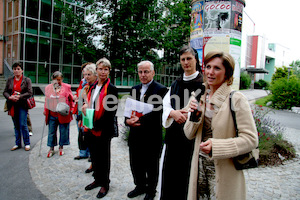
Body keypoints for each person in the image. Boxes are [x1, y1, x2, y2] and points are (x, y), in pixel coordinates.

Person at [184, 51, 258, 200]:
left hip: (224, 170)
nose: (210, 72)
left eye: (217, 68)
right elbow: (188, 134)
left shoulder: (236, 99)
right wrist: (195, 115)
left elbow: (251, 139)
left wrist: (216, 146)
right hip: (199, 167)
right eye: (208, 66)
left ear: (227, 73)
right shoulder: (198, 95)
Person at [160, 45, 204, 200]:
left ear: (196, 60)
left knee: (187, 178)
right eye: (183, 59)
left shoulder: (204, 84)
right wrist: (173, 113)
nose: (186, 62)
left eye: (189, 59)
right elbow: (165, 105)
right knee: (170, 176)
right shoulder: (176, 84)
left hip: (191, 139)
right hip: (173, 138)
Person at [125, 61, 167, 200]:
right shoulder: (134, 89)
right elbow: (128, 110)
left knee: (151, 165)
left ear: (153, 72)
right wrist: (127, 120)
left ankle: (151, 190)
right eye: (140, 72)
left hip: (151, 135)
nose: (143, 75)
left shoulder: (161, 90)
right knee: (135, 163)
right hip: (135, 135)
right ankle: (140, 186)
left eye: (146, 71)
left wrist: (138, 120)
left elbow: (158, 112)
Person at [82, 58, 118, 199]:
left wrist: (95, 124)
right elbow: (88, 103)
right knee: (94, 157)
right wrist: (85, 106)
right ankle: (97, 179)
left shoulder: (112, 89)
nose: (103, 72)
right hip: (90, 126)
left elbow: (111, 113)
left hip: (103, 129)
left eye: (106, 69)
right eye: (100, 69)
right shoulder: (92, 86)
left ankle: (105, 184)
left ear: (109, 71)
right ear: (96, 70)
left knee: (103, 158)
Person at [44, 71, 74, 158]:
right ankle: (51, 148)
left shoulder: (67, 87)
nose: (58, 82)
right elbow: (46, 100)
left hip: (63, 113)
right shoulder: (48, 88)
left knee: (63, 131)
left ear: (62, 79)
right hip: (52, 113)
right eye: (56, 80)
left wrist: (72, 109)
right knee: (51, 132)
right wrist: (45, 110)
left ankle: (61, 147)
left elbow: (71, 99)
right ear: (52, 80)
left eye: (59, 80)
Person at [3, 62, 33, 151]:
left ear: (22, 70)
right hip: (12, 104)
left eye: (18, 69)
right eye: (14, 69)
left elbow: (30, 92)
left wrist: (19, 96)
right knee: (16, 125)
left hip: (22, 104)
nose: (16, 71)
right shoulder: (10, 80)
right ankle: (17, 143)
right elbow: (5, 92)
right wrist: (10, 97)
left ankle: (27, 143)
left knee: (23, 124)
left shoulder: (27, 80)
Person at [74, 62, 91, 160]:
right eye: (84, 71)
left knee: (87, 133)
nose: (86, 74)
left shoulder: (91, 84)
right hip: (79, 110)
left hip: (85, 111)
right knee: (81, 133)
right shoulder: (82, 82)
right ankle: (83, 152)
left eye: (88, 72)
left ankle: (89, 154)